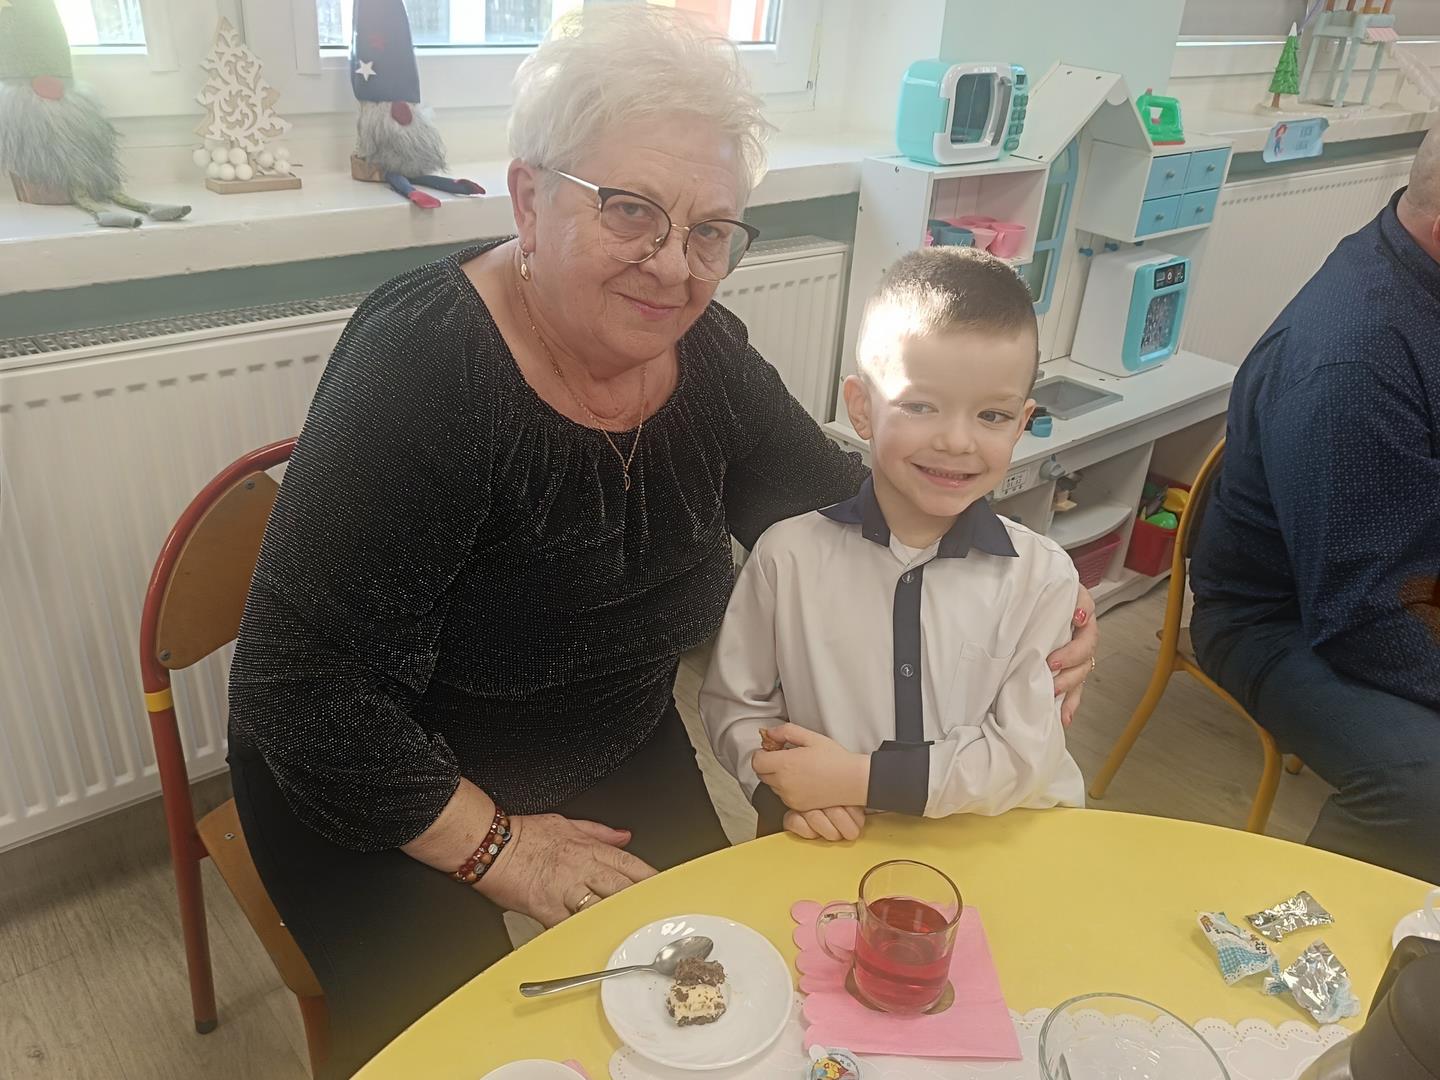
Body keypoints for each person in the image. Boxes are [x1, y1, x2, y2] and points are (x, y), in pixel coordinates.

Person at [225, 9, 1100, 1075]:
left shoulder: (708, 360)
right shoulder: (425, 368)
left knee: (725, 1004)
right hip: (373, 777)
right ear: (528, 200)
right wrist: (502, 849)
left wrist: (1025, 588)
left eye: (710, 230)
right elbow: (299, 686)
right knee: (459, 1055)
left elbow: (849, 514)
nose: (674, 266)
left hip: (606, 732)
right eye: (630, 211)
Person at [701, 248, 1085, 841]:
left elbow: (1023, 755)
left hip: (992, 843)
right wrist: (779, 788)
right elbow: (737, 704)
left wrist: (862, 779)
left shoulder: (1045, 577)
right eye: (920, 406)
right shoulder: (786, 557)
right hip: (830, 836)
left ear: (1021, 420)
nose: (957, 441)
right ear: (862, 408)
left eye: (992, 415)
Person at [1189, 129, 1440, 885]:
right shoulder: (1353, 360)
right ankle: (1323, 942)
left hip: (1393, 568)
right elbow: (1365, 618)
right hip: (1280, 617)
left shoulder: (1418, 270)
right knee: (1424, 793)